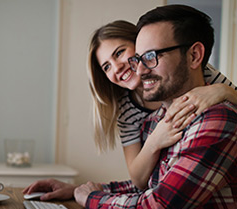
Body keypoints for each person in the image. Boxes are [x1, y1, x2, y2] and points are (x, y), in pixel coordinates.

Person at [73, 5, 237, 209]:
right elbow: (148, 181)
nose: (136, 69)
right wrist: (80, 190)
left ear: (194, 57)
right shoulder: (149, 117)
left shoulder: (216, 117)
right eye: (139, 59)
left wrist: (93, 199)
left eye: (150, 56)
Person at [88, 20, 237, 190]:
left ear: (140, 44)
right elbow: (137, 177)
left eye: (119, 53)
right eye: (106, 67)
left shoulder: (194, 69)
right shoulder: (127, 109)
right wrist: (155, 140)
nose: (117, 67)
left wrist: (223, 91)